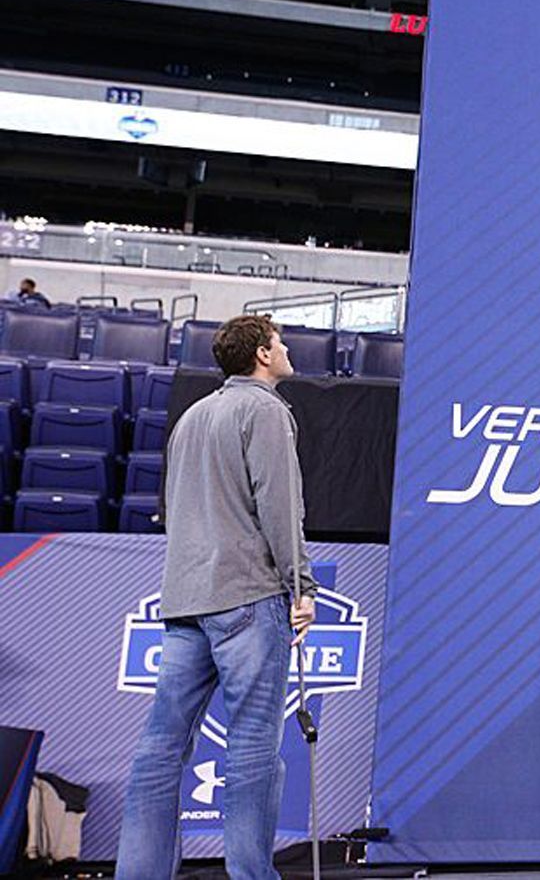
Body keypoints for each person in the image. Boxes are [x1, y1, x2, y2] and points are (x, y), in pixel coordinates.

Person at [116, 315, 316, 880]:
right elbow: (280, 507)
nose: (287, 349)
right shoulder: (267, 411)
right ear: (261, 354)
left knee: (160, 749)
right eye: (280, 343)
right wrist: (302, 585)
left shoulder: (192, 416)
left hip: (185, 601)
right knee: (253, 747)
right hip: (247, 598)